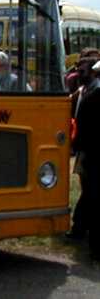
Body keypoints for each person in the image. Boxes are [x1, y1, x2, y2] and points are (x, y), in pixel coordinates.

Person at [72, 56, 100, 259]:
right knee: (93, 195)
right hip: (91, 153)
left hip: (89, 152)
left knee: (91, 195)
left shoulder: (92, 95)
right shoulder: (90, 96)